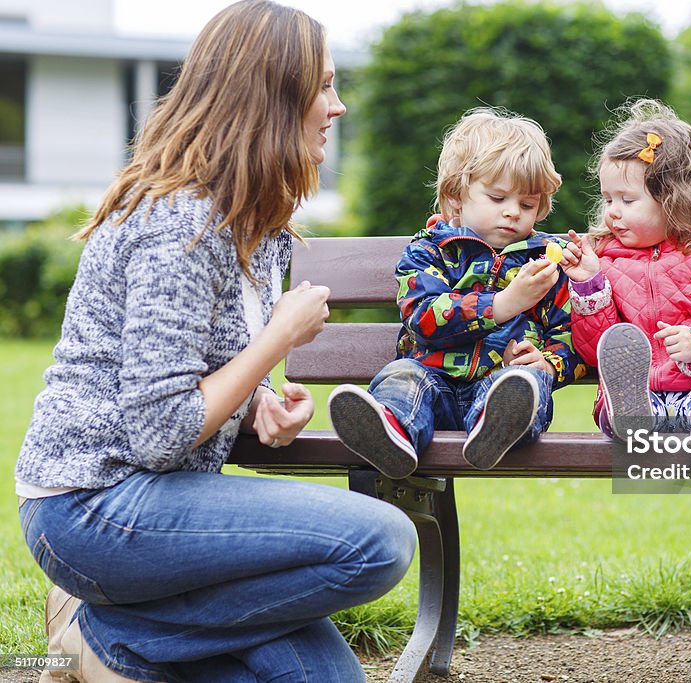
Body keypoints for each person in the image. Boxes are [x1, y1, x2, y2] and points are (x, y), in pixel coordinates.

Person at [15, 2, 416, 681]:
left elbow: (193, 368)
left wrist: (260, 400)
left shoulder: (252, 222)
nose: (338, 106)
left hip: (160, 510)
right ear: (271, 96)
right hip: (94, 506)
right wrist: (276, 340)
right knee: (380, 541)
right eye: (322, 86)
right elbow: (159, 431)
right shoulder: (181, 223)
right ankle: (106, 631)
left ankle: (133, 644)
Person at [328, 107, 585, 479]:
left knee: (524, 384)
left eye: (527, 204)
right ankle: (391, 436)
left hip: (499, 387)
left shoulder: (547, 262)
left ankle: (494, 430)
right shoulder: (429, 251)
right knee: (402, 375)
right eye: (498, 199)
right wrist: (503, 304)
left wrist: (548, 362)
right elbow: (423, 316)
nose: (513, 212)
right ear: (456, 196)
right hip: (434, 386)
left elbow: (572, 334)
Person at [559, 99, 691, 446]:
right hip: (638, 395)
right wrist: (588, 284)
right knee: (619, 407)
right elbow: (597, 348)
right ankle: (631, 415)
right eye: (608, 199)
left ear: (674, 199)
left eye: (627, 201)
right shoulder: (606, 262)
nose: (613, 212)